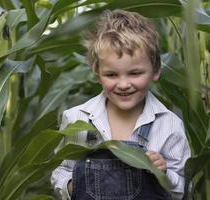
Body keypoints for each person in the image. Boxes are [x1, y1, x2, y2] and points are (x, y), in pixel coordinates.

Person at [51, 9, 190, 200]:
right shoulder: (77, 119)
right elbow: (61, 170)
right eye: (111, 75)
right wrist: (72, 186)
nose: (123, 84)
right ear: (97, 72)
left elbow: (184, 188)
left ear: (156, 70)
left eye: (135, 73)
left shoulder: (169, 125)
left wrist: (165, 174)